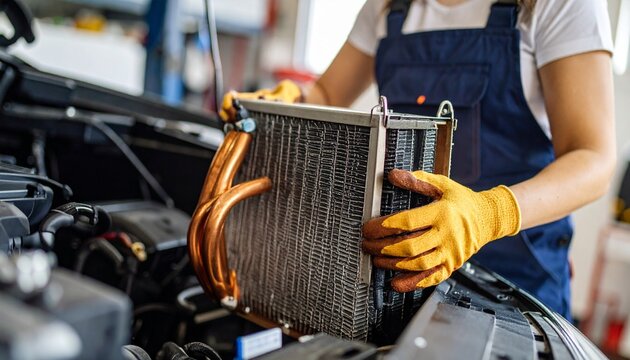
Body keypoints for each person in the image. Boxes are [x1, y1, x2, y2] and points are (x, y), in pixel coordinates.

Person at [220, 0, 616, 319]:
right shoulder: (387, 6)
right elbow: (327, 93)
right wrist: (291, 100)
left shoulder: (557, 5)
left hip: (514, 285)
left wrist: (488, 214)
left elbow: (593, 157)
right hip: (398, 275)